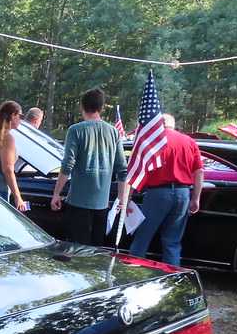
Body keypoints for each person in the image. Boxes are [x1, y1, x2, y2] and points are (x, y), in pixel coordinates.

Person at [50, 87, 127, 247]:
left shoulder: (75, 130)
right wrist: (121, 197)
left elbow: (68, 163)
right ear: (102, 108)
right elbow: (122, 168)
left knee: (76, 250)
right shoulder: (113, 132)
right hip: (102, 204)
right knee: (96, 251)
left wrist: (56, 193)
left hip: (78, 202)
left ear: (82, 107)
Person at [124, 114, 204, 266]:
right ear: (173, 125)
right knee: (172, 242)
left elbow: (137, 171)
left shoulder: (152, 141)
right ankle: (172, 279)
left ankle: (134, 274)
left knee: (142, 238)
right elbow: (199, 172)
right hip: (183, 193)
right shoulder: (189, 141)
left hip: (157, 193)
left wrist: (127, 198)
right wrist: (196, 198)